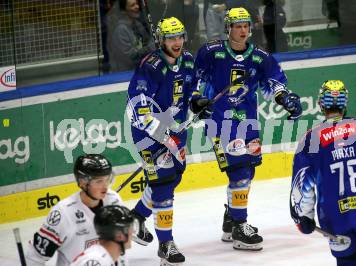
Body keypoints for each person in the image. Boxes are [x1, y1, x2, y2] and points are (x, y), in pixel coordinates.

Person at [193, 7, 303, 251]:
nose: (243, 30)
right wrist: (196, 99)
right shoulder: (211, 52)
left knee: (248, 172)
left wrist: (285, 98)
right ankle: (240, 227)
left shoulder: (260, 56)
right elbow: (194, 78)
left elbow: (274, 83)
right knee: (239, 172)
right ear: (228, 28)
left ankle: (231, 216)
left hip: (247, 122)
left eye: (246, 26)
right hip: (219, 120)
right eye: (237, 26)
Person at [290, 80, 356, 266]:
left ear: (320, 104)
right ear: (344, 103)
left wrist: (303, 217)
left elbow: (302, 187)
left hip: (335, 216)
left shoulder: (309, 139)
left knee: (347, 261)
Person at [127, 16, 201, 265]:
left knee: (173, 177)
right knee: (163, 186)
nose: (177, 42)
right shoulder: (150, 66)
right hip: (147, 135)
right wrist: (163, 136)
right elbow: (137, 110)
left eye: (180, 36)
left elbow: (192, 91)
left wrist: (198, 103)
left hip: (177, 130)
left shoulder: (188, 61)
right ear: (161, 40)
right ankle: (165, 245)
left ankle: (136, 216)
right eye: (171, 37)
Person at [25, 154, 125, 266]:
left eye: (108, 179)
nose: (105, 186)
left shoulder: (114, 200)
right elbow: (34, 258)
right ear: (82, 182)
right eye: (99, 181)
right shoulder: (64, 213)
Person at [107, 0, 155, 72]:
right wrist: (149, 48)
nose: (137, 7)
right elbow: (129, 58)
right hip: (124, 74)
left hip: (139, 69)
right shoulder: (120, 30)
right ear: (124, 11)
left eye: (137, 4)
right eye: (132, 5)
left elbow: (147, 41)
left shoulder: (137, 24)